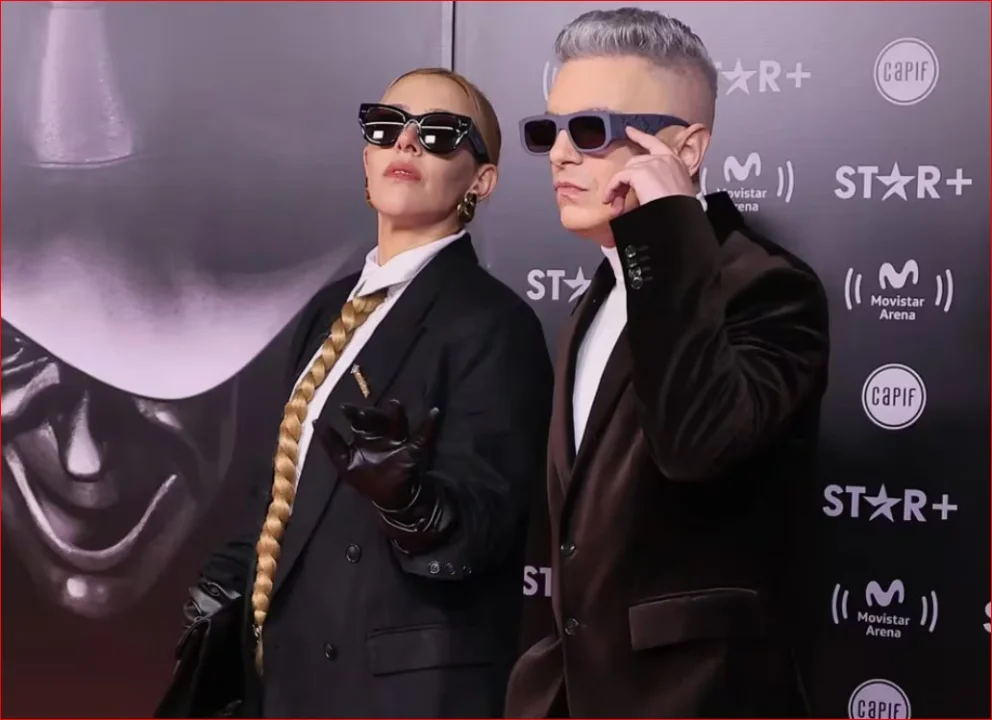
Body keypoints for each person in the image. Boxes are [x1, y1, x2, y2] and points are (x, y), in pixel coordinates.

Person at [174, 67, 553, 718]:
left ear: (481, 181)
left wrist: (408, 500)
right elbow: (281, 492)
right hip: (287, 679)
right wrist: (223, 585)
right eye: (387, 127)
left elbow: (485, 529)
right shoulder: (327, 309)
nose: (406, 143)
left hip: (401, 695)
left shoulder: (495, 323)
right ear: (367, 159)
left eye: (439, 133)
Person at [506, 8, 829, 719]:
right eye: (549, 131)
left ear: (686, 147)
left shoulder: (768, 287)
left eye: (591, 130)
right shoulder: (593, 302)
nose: (560, 154)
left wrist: (668, 230)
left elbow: (694, 443)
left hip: (698, 700)